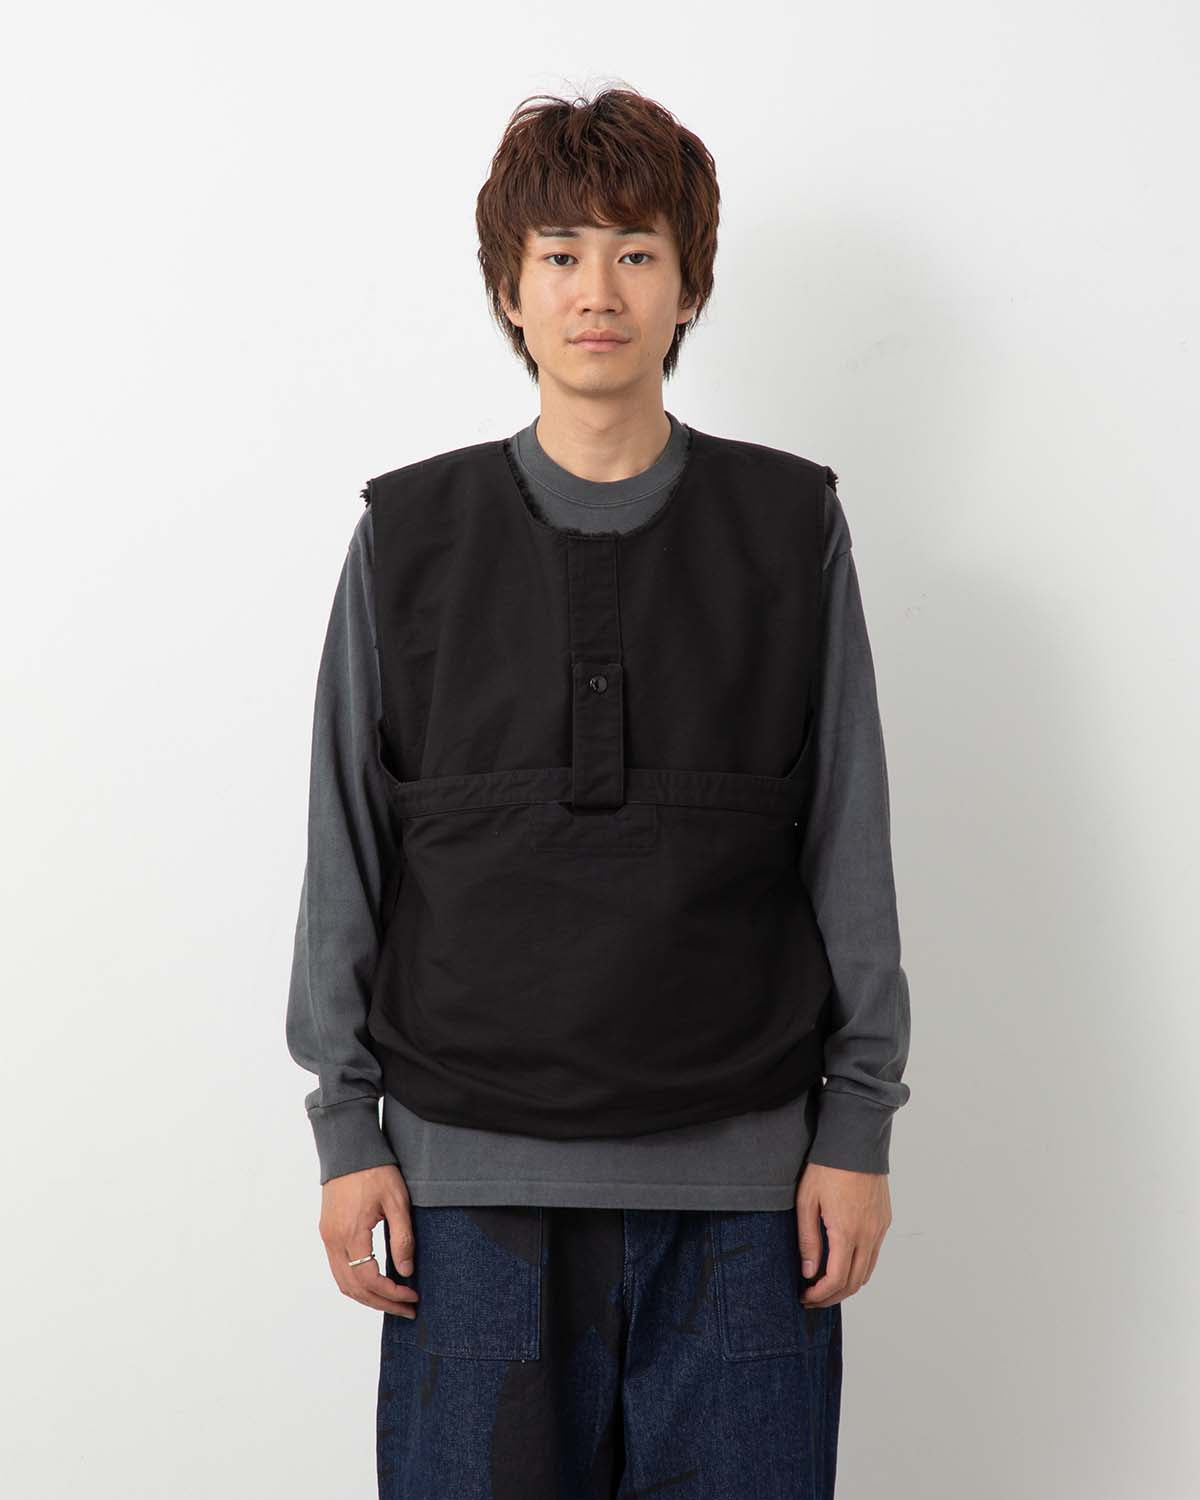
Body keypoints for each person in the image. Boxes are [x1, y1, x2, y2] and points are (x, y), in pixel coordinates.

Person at [286, 84, 911, 1499]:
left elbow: (848, 834)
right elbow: (345, 845)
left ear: (689, 285)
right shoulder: (409, 535)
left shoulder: (788, 526)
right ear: (511, 291)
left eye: (637, 252)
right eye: (560, 253)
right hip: (468, 1194)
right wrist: (342, 1130)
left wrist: (859, 1123)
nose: (598, 291)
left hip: (750, 1198)